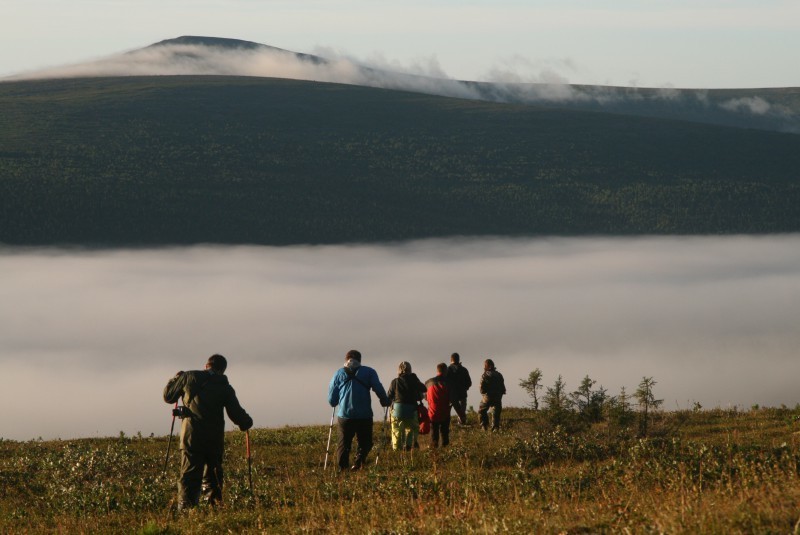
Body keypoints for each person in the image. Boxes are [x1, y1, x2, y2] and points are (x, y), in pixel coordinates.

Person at [163, 353, 253, 510]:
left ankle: (186, 510)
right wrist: (246, 423)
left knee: (189, 475)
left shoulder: (188, 377)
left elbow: (168, 397)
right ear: (222, 370)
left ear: (206, 366)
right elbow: (236, 413)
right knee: (213, 476)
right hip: (214, 439)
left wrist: (175, 378)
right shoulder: (225, 387)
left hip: (191, 437)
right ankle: (214, 508)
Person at [328, 349, 390, 471]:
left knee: (344, 443)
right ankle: (358, 462)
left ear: (346, 360)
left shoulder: (338, 373)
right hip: (364, 415)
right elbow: (378, 387)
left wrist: (335, 401)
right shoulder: (369, 372)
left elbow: (332, 400)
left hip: (345, 415)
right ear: (360, 360)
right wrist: (384, 400)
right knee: (365, 442)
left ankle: (343, 468)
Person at [387, 361, 427, 451]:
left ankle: (397, 449)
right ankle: (409, 445)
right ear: (410, 370)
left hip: (397, 410)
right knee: (412, 428)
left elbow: (389, 396)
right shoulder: (413, 380)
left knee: (396, 430)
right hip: (411, 410)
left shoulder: (395, 381)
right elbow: (424, 389)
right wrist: (415, 378)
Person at [425, 362, 451, 448]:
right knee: (445, 436)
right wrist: (461, 414)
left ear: (437, 371)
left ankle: (434, 452)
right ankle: (445, 451)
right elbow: (453, 399)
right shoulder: (448, 382)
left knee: (434, 438)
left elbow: (425, 397)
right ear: (445, 371)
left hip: (432, 413)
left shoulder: (428, 383)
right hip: (445, 413)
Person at [478, 358, 506, 432]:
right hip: (498, 397)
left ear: (487, 366)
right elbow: (503, 388)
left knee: (481, 410)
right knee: (496, 412)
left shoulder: (485, 375)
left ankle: (484, 426)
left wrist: (484, 394)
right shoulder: (499, 375)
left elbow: (481, 389)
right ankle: (495, 427)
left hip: (488, 397)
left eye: (484, 366)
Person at [445, 352, 472, 425]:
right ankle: (462, 422)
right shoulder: (464, 370)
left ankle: (447, 423)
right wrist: (465, 388)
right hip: (462, 393)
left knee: (447, 410)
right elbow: (469, 382)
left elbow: (445, 382)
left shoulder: (447, 370)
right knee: (462, 410)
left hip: (451, 394)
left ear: (451, 360)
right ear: (458, 359)